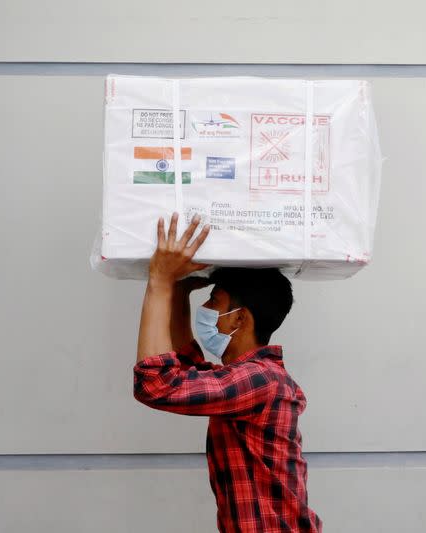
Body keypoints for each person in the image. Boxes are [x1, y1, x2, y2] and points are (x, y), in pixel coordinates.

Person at [133, 211, 323, 532]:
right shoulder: (254, 379)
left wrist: (160, 282)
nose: (206, 309)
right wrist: (178, 292)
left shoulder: (261, 380)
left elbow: (155, 383)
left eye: (214, 301)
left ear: (238, 319)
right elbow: (185, 364)